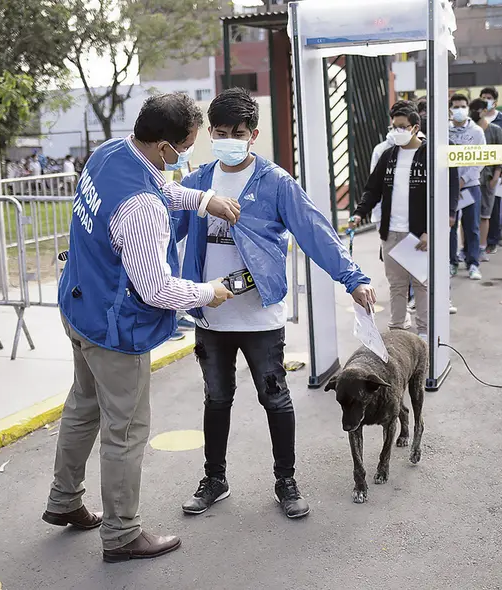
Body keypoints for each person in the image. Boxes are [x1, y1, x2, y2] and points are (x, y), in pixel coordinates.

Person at [43, 92, 243, 563]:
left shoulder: (111, 152)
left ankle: (64, 500)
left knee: (82, 407)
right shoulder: (142, 209)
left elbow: (157, 186)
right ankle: (122, 534)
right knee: (126, 431)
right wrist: (208, 292)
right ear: (162, 147)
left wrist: (203, 200)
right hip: (116, 329)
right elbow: (155, 289)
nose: (189, 154)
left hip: (79, 306)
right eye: (187, 146)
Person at [175, 88, 376, 519]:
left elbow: (315, 233)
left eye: (239, 132)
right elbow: (155, 227)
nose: (229, 138)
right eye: (221, 132)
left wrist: (353, 278)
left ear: (254, 135)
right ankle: (215, 478)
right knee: (216, 399)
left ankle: (286, 480)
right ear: (211, 132)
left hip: (260, 316)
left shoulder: (276, 183)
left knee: (276, 399)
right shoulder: (195, 182)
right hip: (210, 314)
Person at [349, 100, 427, 334]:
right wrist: (359, 213)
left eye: (402, 127)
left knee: (422, 284)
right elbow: (372, 189)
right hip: (391, 231)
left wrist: (430, 230)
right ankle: (398, 329)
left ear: (415, 127)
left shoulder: (428, 154)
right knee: (397, 285)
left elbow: (441, 196)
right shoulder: (388, 156)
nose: (396, 132)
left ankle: (424, 331)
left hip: (419, 233)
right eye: (394, 126)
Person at [447, 93, 484, 280]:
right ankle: (452, 262)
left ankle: (473, 263)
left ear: (468, 108)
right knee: (450, 226)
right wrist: (453, 182)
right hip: (449, 188)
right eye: (456, 106)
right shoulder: (444, 131)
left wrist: (464, 179)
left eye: (462, 106)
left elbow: (480, 160)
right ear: (450, 109)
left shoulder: (477, 132)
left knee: (472, 227)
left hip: (470, 186)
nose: (459, 110)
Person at [468, 98, 502, 261]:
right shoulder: (468, 130)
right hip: (470, 178)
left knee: (485, 215)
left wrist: (497, 175)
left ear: (484, 111)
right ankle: (468, 248)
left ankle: (482, 247)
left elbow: (501, 154)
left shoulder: (495, 130)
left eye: (478, 109)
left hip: (488, 177)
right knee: (468, 215)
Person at [478, 87, 502, 243]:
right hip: (478, 171)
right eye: (483, 97)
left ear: (495, 101)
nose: (486, 100)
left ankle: (493, 239)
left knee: (494, 207)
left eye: (489, 97)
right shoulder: (475, 119)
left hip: (496, 171)